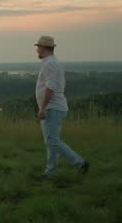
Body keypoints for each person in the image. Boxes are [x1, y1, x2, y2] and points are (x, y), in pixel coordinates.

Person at [34, 35, 89, 178]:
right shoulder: (50, 62)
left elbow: (50, 88)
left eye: (38, 47)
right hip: (52, 108)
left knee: (52, 141)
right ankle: (51, 173)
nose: (37, 50)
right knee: (52, 141)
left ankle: (80, 163)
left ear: (44, 48)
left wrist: (43, 108)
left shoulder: (50, 64)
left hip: (52, 108)